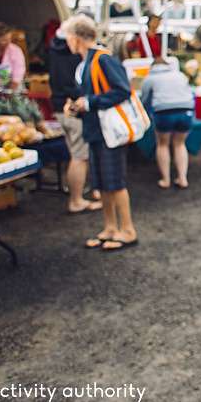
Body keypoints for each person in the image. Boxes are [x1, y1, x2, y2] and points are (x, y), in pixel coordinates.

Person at [63, 16, 138, 252]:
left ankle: (127, 230)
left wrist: (89, 102)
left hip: (109, 133)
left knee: (115, 182)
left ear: (76, 38)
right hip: (95, 131)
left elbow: (122, 91)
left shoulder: (103, 59)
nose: (67, 43)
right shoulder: (85, 63)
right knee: (102, 183)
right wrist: (76, 106)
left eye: (68, 38)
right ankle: (110, 227)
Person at [48, 26, 102, 214]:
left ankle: (79, 195)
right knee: (80, 156)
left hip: (58, 106)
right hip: (72, 108)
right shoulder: (73, 54)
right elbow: (74, 85)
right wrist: (84, 101)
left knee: (75, 155)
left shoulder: (54, 50)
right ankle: (76, 200)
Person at [141, 56, 195, 189]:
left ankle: (166, 180)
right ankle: (183, 178)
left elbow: (145, 100)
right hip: (186, 111)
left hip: (164, 112)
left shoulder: (150, 78)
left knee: (163, 144)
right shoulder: (180, 75)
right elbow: (191, 92)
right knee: (180, 144)